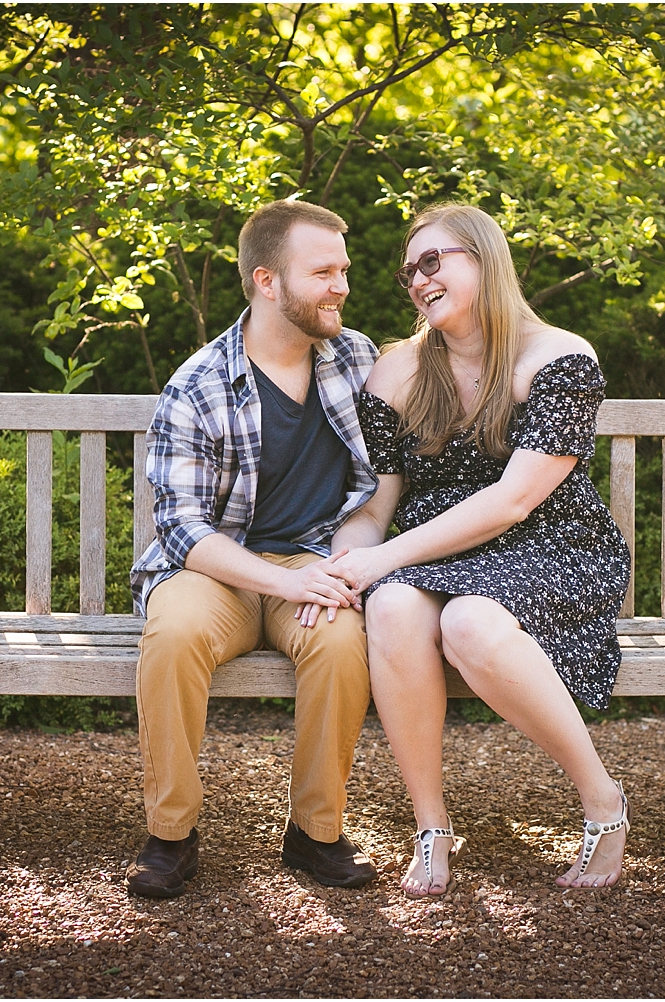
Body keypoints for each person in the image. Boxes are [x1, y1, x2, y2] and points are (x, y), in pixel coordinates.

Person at [329, 203, 633, 896]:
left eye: (433, 261)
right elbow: (378, 504)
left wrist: (387, 557)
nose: (417, 279)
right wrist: (350, 559)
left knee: (466, 621)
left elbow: (514, 501)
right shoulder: (397, 370)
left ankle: (603, 803)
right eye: (409, 270)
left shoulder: (558, 357)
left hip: (551, 545)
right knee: (396, 607)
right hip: (434, 554)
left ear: (485, 258)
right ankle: (432, 827)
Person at [125, 199, 388, 898]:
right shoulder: (200, 384)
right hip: (219, 568)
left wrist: (323, 573)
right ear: (268, 282)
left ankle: (315, 833)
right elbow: (181, 530)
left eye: (344, 270)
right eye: (323, 272)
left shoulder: (356, 358)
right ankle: (170, 835)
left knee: (340, 641)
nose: (342, 286)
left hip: (312, 561)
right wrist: (280, 586)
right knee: (174, 631)